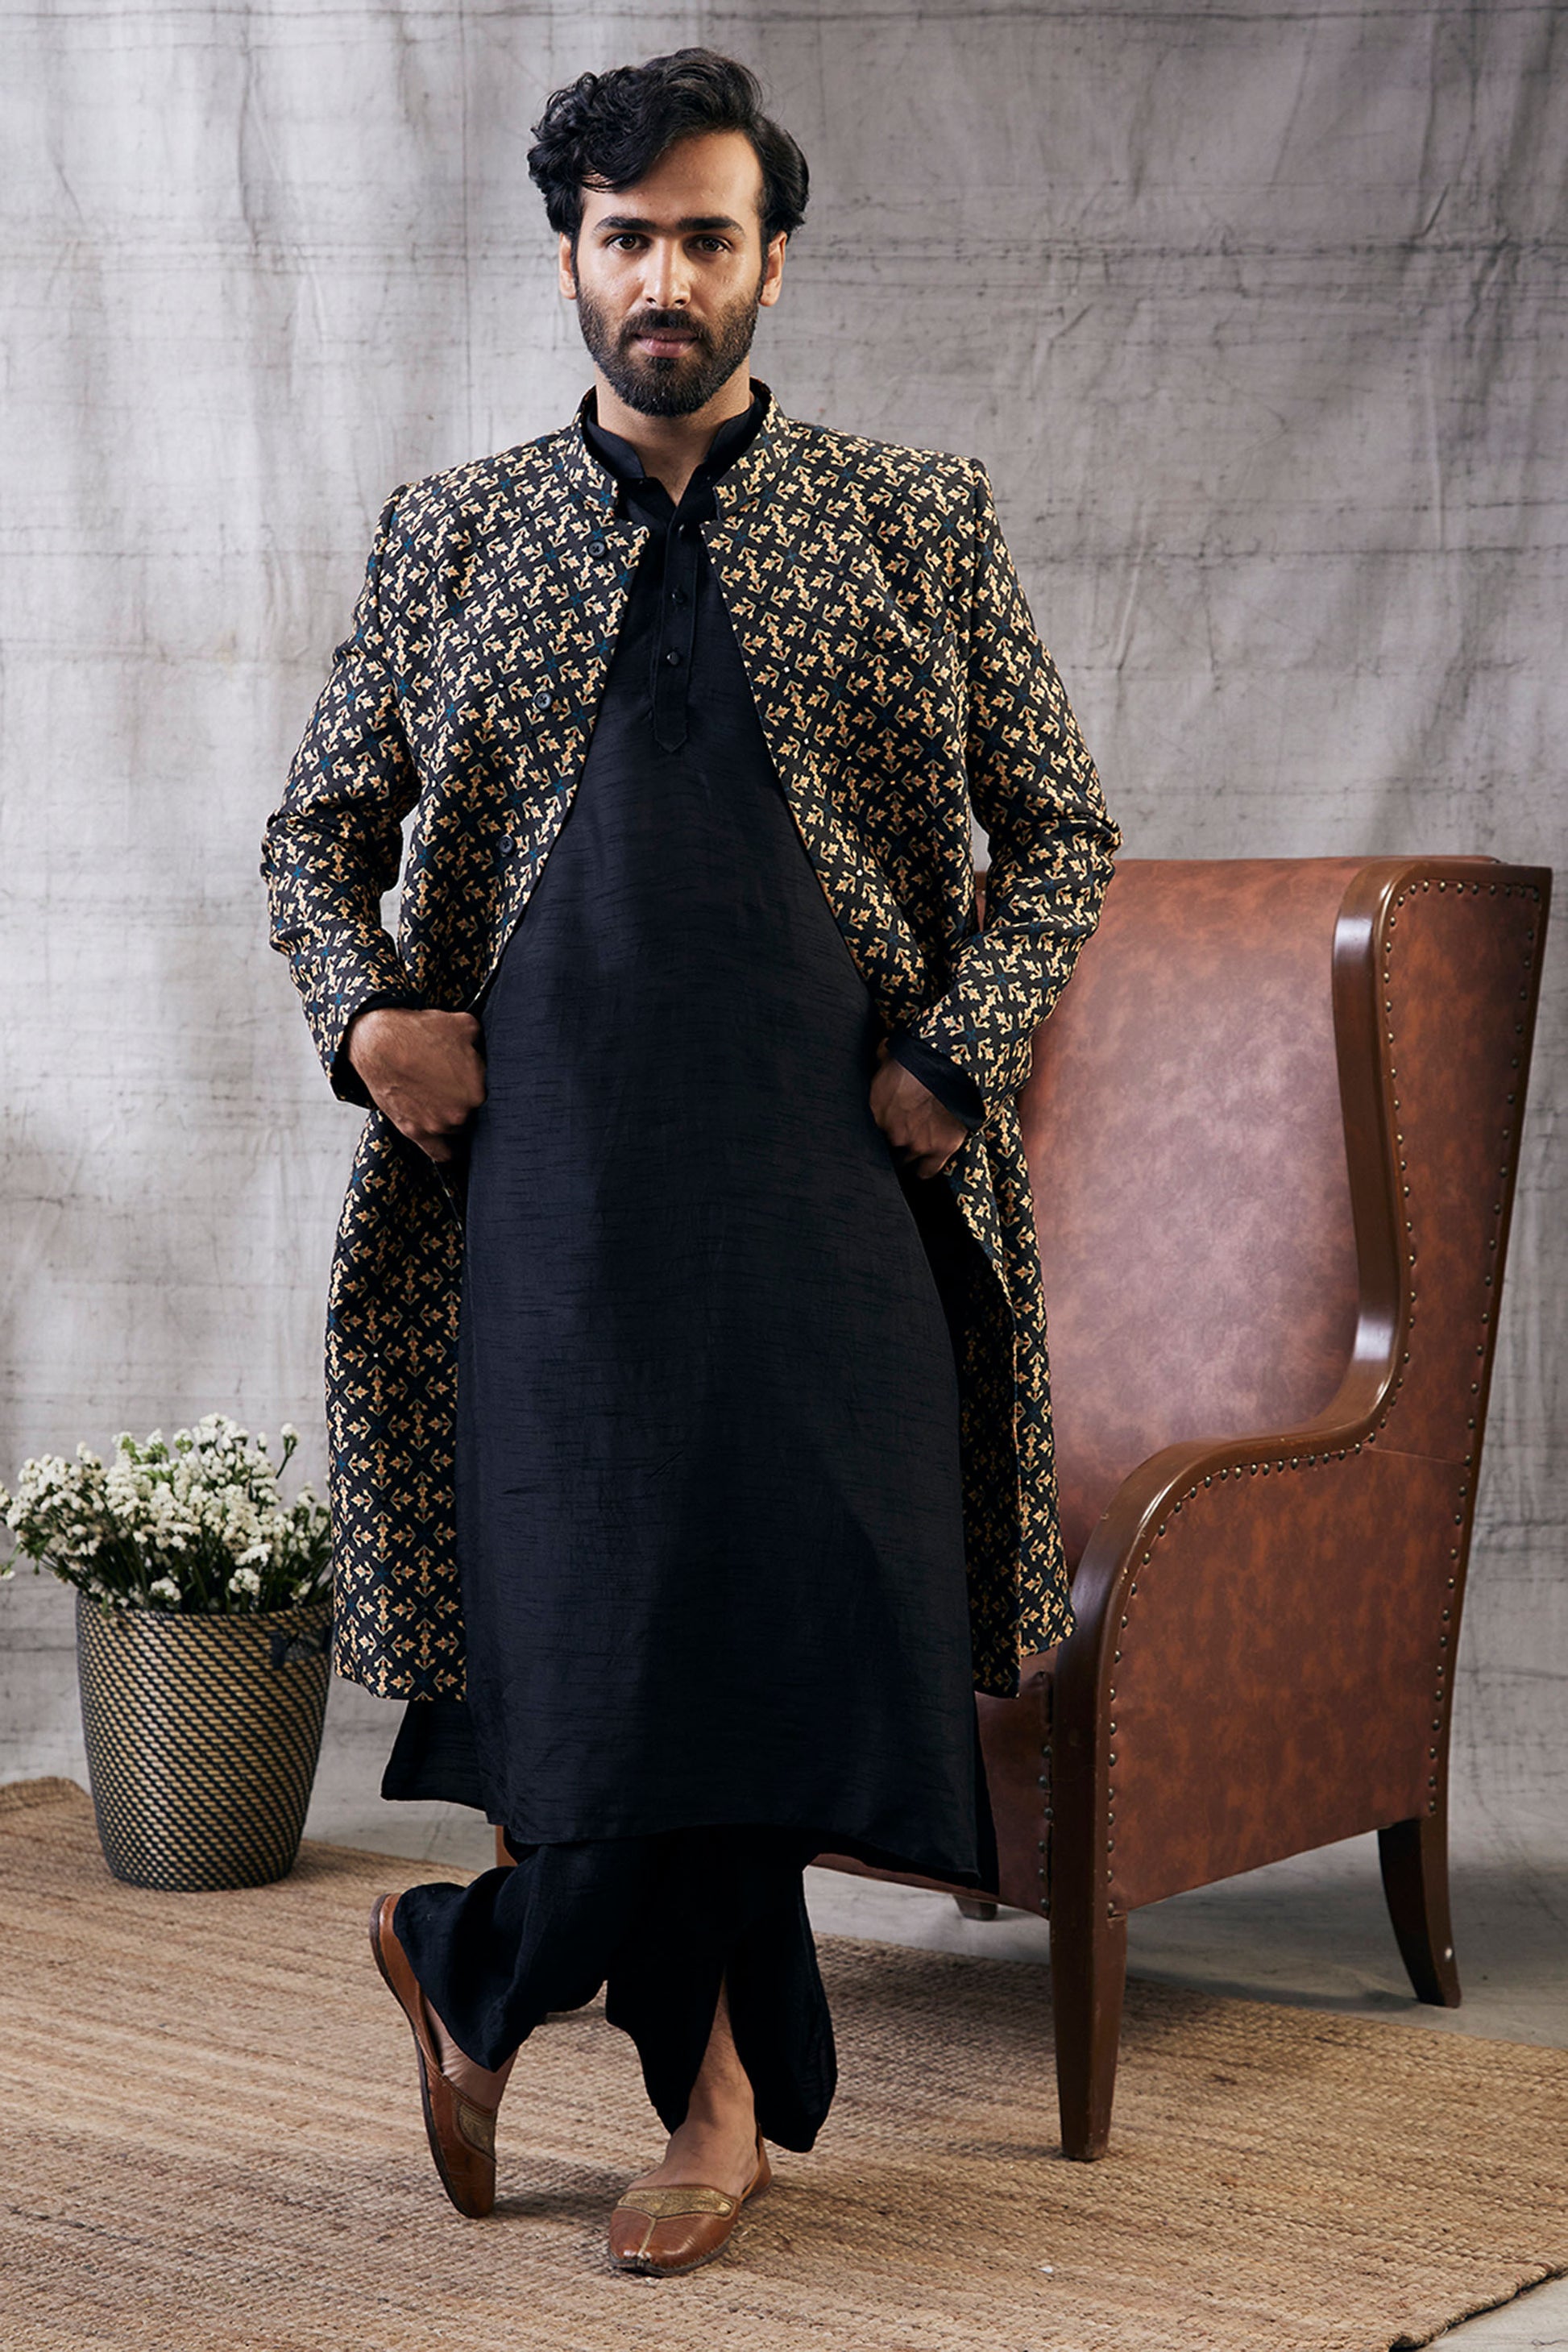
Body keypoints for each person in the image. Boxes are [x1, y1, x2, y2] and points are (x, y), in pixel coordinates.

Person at [262, 47, 1119, 2275]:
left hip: (837, 1195)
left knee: (791, 1634)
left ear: (771, 262)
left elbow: (1062, 830)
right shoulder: (454, 532)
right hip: (547, 1207)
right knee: (614, 1644)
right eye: (626, 236)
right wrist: (367, 1018)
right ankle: (714, 2105)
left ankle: (476, 1961)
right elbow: (315, 829)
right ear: (569, 257)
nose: (665, 276)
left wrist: (956, 1053)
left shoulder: (911, 518)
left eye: (705, 237)